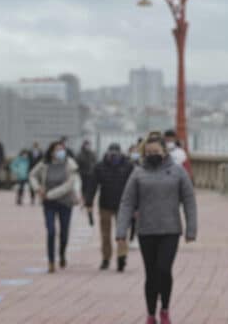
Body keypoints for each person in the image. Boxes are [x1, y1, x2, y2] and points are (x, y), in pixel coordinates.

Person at [116, 132, 197, 324]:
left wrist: (191, 229)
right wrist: (121, 231)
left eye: (156, 151)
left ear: (164, 151)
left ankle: (165, 309)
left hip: (170, 230)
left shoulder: (177, 171)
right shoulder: (138, 173)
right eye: (149, 151)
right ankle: (151, 313)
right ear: (144, 153)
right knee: (151, 274)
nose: (152, 154)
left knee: (164, 269)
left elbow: (189, 201)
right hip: (146, 231)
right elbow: (127, 203)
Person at [29, 141, 80, 273]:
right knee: (51, 231)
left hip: (65, 202)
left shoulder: (70, 165)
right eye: (57, 149)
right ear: (51, 151)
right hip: (49, 204)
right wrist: (37, 188)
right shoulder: (44, 164)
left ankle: (62, 254)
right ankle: (51, 261)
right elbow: (32, 175)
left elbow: (69, 185)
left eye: (62, 149)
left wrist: (50, 194)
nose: (60, 152)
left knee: (64, 233)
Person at [86, 143, 135, 272]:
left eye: (116, 152)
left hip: (123, 205)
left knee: (122, 233)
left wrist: (136, 205)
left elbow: (135, 186)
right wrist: (88, 202)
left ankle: (121, 257)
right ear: (107, 153)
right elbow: (92, 185)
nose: (113, 155)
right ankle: (106, 258)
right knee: (105, 234)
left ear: (120, 153)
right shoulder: (99, 166)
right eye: (111, 152)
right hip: (105, 205)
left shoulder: (128, 166)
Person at [76, 140, 97, 205]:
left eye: (89, 145)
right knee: (84, 185)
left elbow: (94, 162)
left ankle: (88, 197)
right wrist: (80, 171)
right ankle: (84, 197)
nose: (88, 146)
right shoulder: (80, 154)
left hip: (91, 173)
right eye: (86, 145)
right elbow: (77, 164)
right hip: (83, 173)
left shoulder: (92, 153)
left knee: (89, 186)